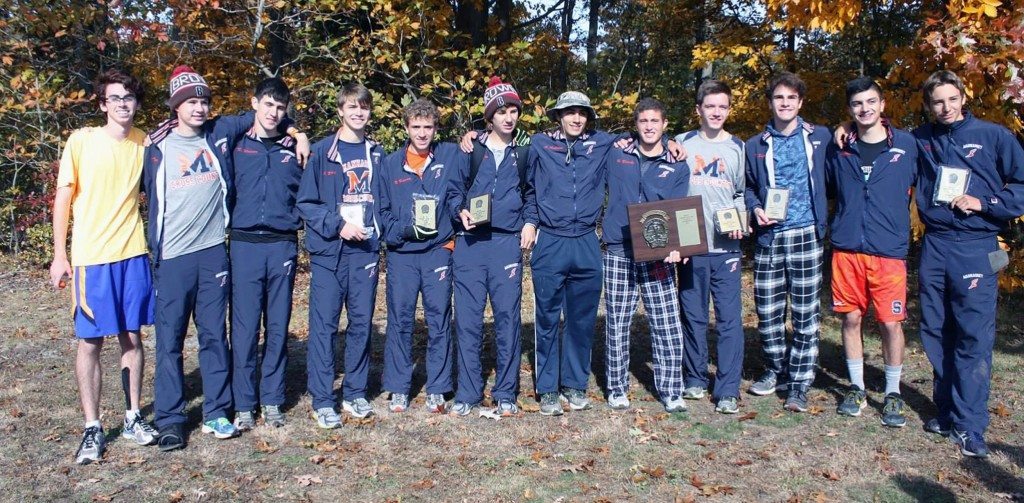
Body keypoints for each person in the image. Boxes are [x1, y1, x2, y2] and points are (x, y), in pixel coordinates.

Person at [143, 65, 300, 450]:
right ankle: (170, 418)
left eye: (203, 101)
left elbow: (271, 114)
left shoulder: (217, 135)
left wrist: (297, 131)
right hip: (173, 254)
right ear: (176, 106)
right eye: (190, 102)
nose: (198, 108)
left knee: (215, 336)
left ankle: (217, 411)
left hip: (214, 250)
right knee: (170, 341)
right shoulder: (156, 148)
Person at [913, 70, 1024, 457]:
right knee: (936, 329)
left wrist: (986, 204)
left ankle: (970, 424)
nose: (945, 108)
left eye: (951, 99)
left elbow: (1021, 184)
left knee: (973, 337)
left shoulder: (993, 135)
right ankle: (946, 411)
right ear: (929, 104)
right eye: (937, 101)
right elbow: (880, 141)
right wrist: (846, 126)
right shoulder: (921, 139)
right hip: (935, 245)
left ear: (963, 97)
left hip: (975, 246)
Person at [51, 68, 159, 464]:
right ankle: (93, 427)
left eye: (129, 97)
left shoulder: (145, 143)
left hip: (132, 253)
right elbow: (63, 198)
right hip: (91, 258)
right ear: (103, 104)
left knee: (132, 337)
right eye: (115, 98)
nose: (123, 104)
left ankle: (133, 417)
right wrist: (60, 255)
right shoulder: (81, 141)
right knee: (91, 341)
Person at [824, 77, 918, 427]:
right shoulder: (839, 147)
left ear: (883, 105)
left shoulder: (908, 145)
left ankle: (893, 392)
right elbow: (828, 189)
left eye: (870, 102)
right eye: (857, 104)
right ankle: (857, 387)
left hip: (888, 251)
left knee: (891, 323)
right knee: (850, 319)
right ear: (850, 110)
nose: (864, 109)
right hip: (847, 248)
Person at [524, 90, 621, 415]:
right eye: (569, 112)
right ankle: (548, 388)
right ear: (558, 116)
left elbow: (640, 140)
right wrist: (473, 135)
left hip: (586, 241)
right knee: (547, 317)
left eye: (582, 112)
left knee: (581, 319)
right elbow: (524, 180)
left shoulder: (603, 143)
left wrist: (671, 144)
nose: (576, 118)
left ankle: (574, 384)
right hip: (550, 240)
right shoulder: (539, 144)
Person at [298, 83, 386, 428]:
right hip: (330, 252)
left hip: (364, 249)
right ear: (340, 111)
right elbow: (307, 202)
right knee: (324, 326)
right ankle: (323, 399)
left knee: (361, 323)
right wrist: (337, 225)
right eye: (351, 107)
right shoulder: (322, 153)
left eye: (363, 107)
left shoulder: (377, 153)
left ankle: (355, 393)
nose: (358, 113)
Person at [744, 72, 830, 412]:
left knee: (806, 313)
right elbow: (748, 186)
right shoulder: (754, 144)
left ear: (800, 102)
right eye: (779, 98)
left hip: (807, 232)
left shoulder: (821, 136)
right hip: (769, 236)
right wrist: (755, 208)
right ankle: (775, 369)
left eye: (791, 98)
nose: (785, 104)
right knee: (768, 311)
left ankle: (799, 382)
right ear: (770, 102)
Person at [448, 77, 533, 417]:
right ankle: (467, 393)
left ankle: (506, 393)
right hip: (470, 243)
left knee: (508, 319)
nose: (508, 118)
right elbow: (453, 191)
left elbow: (533, 195)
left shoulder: (525, 151)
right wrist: (460, 211)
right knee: (467, 320)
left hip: (505, 243)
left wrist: (530, 223)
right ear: (489, 117)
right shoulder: (471, 149)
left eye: (513, 111)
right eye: (501, 112)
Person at [601, 98, 690, 413]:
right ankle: (617, 388)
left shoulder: (677, 163)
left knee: (666, 322)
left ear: (665, 125)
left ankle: (671, 390)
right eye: (643, 121)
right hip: (619, 248)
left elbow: (680, 209)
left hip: (658, 253)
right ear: (635, 125)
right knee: (618, 322)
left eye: (655, 121)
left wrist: (678, 247)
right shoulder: (617, 151)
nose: (649, 127)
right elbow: (582, 137)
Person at [378, 98, 466, 413]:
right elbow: (382, 211)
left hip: (437, 252)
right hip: (402, 253)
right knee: (400, 319)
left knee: (439, 318)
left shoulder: (449, 156)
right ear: (406, 128)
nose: (422, 133)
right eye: (416, 127)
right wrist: (404, 230)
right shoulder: (389, 164)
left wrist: (473, 135)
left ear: (436, 128)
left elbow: (460, 186)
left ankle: (438, 387)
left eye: (428, 127)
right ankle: (399, 387)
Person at [229, 77, 305, 430]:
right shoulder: (235, 143)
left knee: (277, 326)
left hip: (281, 245)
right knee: (244, 329)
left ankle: (272, 399)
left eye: (280, 107)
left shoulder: (295, 148)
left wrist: (299, 134)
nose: (274, 113)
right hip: (244, 245)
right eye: (268, 105)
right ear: (254, 103)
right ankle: (244, 403)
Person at [675, 80, 747, 414]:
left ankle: (728, 388)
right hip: (690, 245)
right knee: (693, 316)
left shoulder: (737, 147)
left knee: (730, 319)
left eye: (723, 106)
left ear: (728, 109)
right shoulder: (681, 143)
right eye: (710, 106)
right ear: (699, 109)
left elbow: (740, 193)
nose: (717, 112)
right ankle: (694, 378)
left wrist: (742, 221)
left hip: (726, 248)